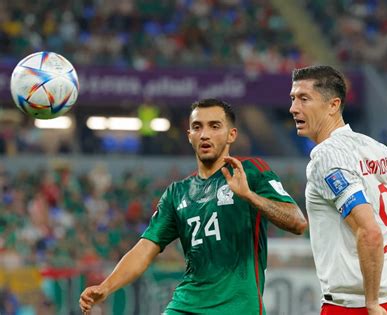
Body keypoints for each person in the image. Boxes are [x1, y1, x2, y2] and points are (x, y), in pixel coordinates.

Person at [79, 98, 308, 315]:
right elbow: (144, 250)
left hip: (237, 308)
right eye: (197, 127)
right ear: (189, 135)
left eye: (214, 126)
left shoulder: (250, 172)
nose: (205, 134)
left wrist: (249, 196)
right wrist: (105, 287)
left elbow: (297, 222)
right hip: (186, 305)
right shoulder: (176, 193)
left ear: (231, 135)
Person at [289, 65, 387, 315]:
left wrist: (372, 302)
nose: (293, 108)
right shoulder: (374, 148)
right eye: (293, 99)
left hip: (355, 305)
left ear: (333, 105)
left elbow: (370, 232)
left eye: (304, 99)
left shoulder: (326, 157)